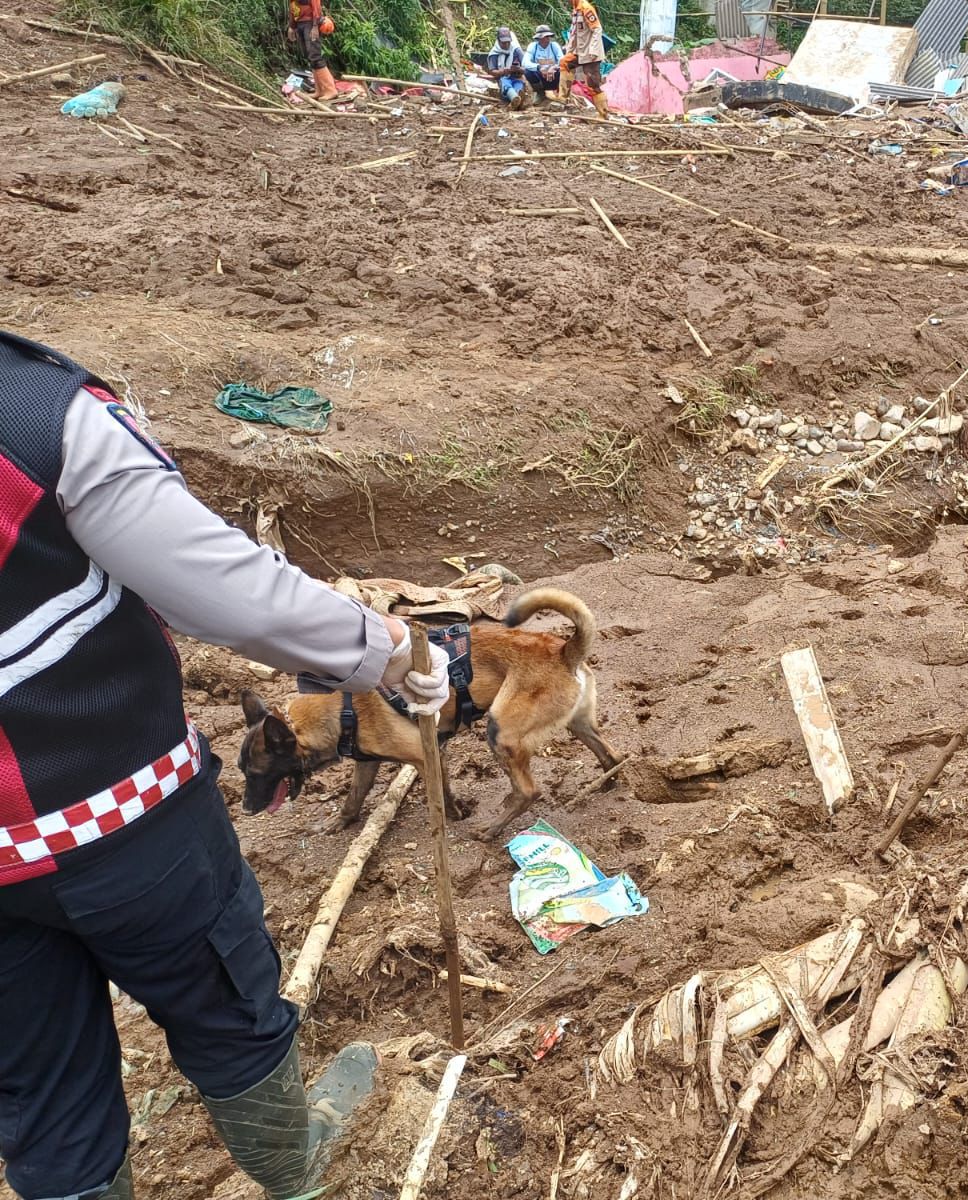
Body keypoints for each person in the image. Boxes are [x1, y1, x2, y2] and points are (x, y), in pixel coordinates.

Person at [0, 330, 450, 1198]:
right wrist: (391, 649)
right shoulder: (35, 413)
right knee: (225, 1001)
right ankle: (295, 1163)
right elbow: (222, 590)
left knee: (40, 1089)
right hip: (119, 817)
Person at [561, 0, 610, 119]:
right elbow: (574, 33)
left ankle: (603, 114)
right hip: (579, 51)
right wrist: (569, 49)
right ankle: (563, 97)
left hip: (590, 53)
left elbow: (597, 29)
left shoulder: (586, 8)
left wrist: (593, 49)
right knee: (565, 63)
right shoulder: (575, 10)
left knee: (592, 85)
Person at [288, 0, 340, 101]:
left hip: (311, 23)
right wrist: (292, 26)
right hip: (300, 23)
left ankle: (331, 90)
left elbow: (316, 7)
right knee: (310, 57)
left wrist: (315, 26)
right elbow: (293, 7)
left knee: (315, 56)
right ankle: (319, 90)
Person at [486, 26, 528, 111]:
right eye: (503, 43)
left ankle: (519, 97)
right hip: (503, 77)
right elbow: (492, 71)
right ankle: (514, 97)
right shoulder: (494, 53)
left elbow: (526, 67)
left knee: (519, 85)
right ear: (498, 41)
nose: (506, 45)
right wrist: (502, 71)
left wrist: (518, 69)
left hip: (517, 77)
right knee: (506, 84)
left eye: (508, 42)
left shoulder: (516, 50)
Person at [526, 24, 563, 102]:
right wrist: (539, 68)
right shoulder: (533, 46)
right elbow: (525, 62)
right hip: (540, 77)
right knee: (528, 72)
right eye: (545, 37)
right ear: (539, 38)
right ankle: (540, 93)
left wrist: (554, 67)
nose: (547, 39)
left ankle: (561, 93)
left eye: (548, 36)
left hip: (553, 75)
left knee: (564, 70)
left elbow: (562, 60)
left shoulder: (554, 46)